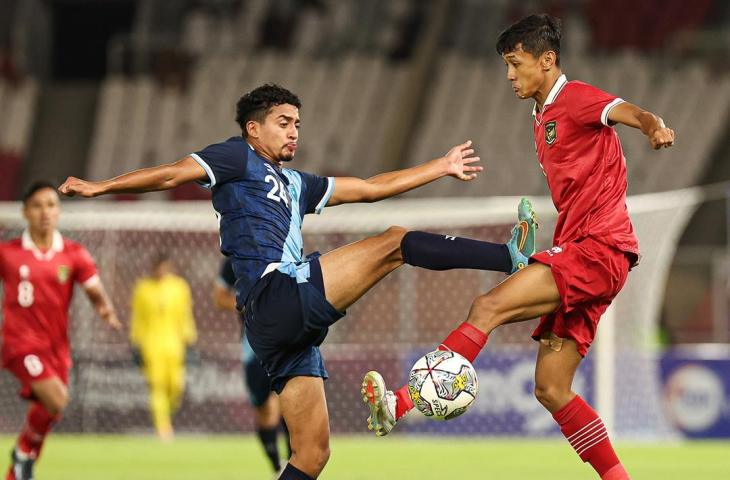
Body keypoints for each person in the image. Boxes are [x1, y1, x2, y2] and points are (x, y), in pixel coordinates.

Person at [58, 83, 537, 479]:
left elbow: (369, 189)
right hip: (275, 293)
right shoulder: (235, 158)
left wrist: (440, 166)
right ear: (253, 128)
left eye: (297, 125)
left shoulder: (296, 183)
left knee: (312, 456)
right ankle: (512, 256)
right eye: (284, 123)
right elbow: (170, 175)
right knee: (395, 242)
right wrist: (102, 186)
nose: (294, 133)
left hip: (278, 326)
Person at [360, 14, 675, 480]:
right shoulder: (541, 116)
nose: (509, 75)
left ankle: (400, 402)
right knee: (550, 388)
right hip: (588, 253)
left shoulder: (575, 98)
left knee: (487, 306)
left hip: (600, 248)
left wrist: (653, 128)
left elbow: (630, 112)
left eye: (515, 64)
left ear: (546, 61)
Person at [1, 181, 121, 480]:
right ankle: (24, 453)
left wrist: (105, 308)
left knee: (51, 409)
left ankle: (19, 465)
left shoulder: (73, 254)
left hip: (56, 346)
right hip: (20, 343)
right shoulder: (8, 253)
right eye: (38, 205)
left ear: (59, 212)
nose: (45, 212)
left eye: (52, 205)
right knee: (56, 399)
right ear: (25, 212)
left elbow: (93, 288)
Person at [214, 256, 291, 476]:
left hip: (288, 341)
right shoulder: (235, 258)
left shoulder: (288, 249)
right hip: (253, 345)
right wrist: (245, 303)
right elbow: (219, 297)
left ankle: (295, 466)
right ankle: (277, 466)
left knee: (290, 404)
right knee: (266, 410)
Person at [130, 255, 197, 441]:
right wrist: (136, 343)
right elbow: (138, 318)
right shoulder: (143, 288)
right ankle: (163, 427)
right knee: (156, 386)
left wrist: (190, 340)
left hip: (175, 344)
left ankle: (166, 415)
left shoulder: (180, 287)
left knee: (176, 385)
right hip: (151, 344)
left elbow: (185, 315)